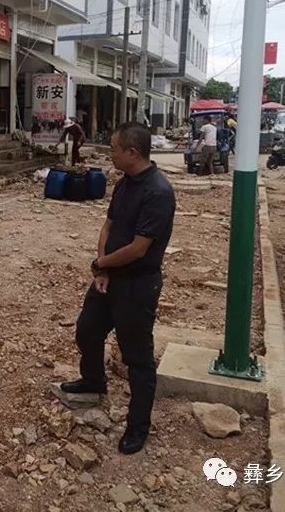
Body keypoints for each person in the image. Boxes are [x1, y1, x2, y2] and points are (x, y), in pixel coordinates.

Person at [61, 122, 176, 455]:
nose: (109, 154)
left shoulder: (158, 192)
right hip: (109, 278)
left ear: (132, 153)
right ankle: (94, 380)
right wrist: (102, 265)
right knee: (87, 331)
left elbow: (140, 248)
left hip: (137, 284)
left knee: (137, 358)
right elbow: (108, 226)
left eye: (113, 149)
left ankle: (138, 426)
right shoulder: (125, 184)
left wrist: (104, 265)